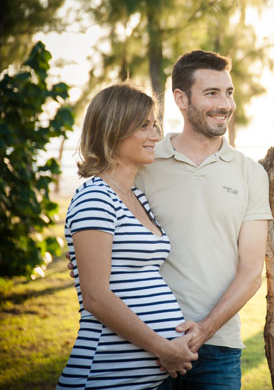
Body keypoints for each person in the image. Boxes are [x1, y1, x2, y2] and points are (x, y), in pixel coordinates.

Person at [140, 50, 272, 389]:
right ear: (181, 99)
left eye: (228, 93)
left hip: (218, 348)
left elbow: (251, 271)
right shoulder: (144, 166)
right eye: (212, 93)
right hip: (143, 344)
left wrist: (204, 329)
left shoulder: (250, 174)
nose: (225, 104)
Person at [57, 83, 198, 390]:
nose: (155, 136)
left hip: (145, 381)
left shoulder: (135, 196)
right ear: (113, 129)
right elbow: (96, 297)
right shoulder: (95, 198)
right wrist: (162, 347)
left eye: (155, 125)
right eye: (144, 126)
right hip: (103, 378)